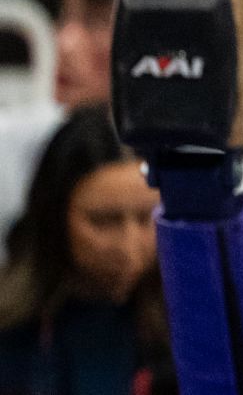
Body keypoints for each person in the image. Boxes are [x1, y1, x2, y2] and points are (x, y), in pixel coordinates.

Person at [0, 0, 163, 271]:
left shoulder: (221, 180)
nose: (64, 43)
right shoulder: (6, 145)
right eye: (65, 17)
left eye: (95, 22)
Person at [0, 107, 172, 395]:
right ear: (53, 218)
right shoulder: (12, 339)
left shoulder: (189, 328)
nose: (129, 246)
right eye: (104, 221)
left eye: (147, 218)